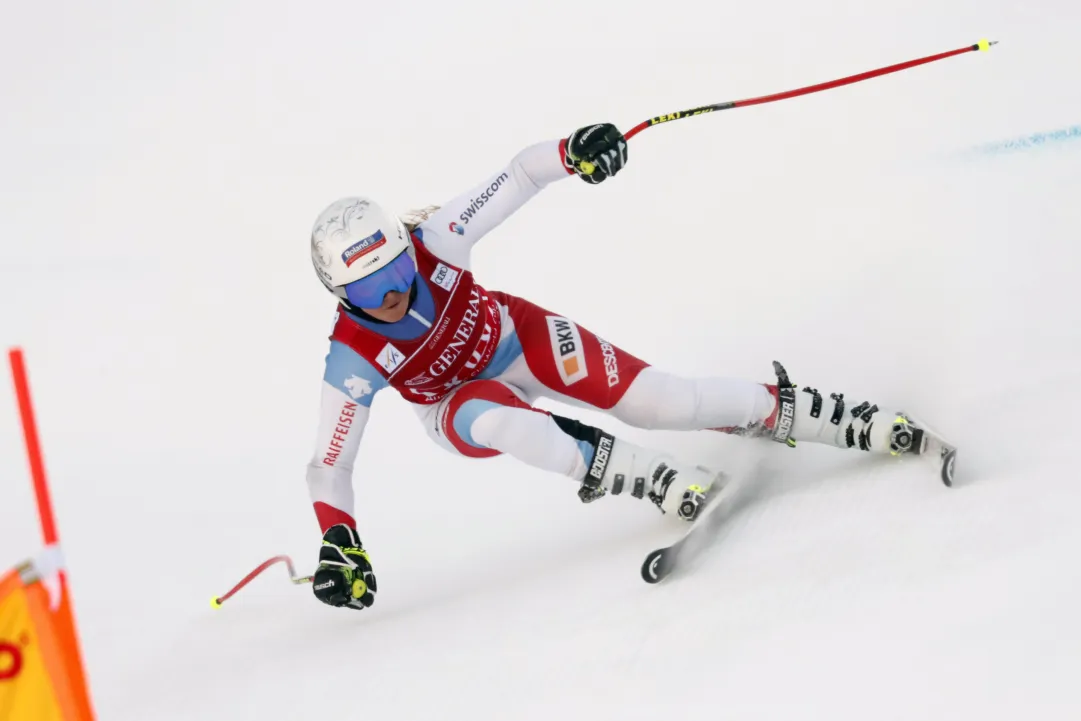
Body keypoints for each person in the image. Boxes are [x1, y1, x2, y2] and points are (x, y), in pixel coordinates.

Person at [306, 123, 921, 610]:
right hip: (455, 406)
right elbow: (329, 464)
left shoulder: (438, 240)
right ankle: (658, 480)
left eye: (395, 270)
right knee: (507, 426)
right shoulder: (353, 355)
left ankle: (826, 416)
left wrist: (572, 153)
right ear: (340, 296)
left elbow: (520, 173)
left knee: (665, 403)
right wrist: (339, 541)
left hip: (514, 336)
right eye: (367, 289)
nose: (390, 293)